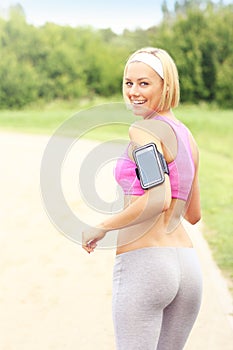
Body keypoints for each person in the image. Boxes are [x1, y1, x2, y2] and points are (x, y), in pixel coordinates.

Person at [82, 47, 202, 350]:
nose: (133, 92)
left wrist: (103, 226)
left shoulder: (144, 130)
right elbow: (193, 214)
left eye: (144, 83)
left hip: (146, 265)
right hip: (187, 268)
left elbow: (158, 197)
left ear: (166, 85)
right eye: (128, 83)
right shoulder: (188, 137)